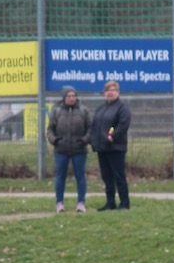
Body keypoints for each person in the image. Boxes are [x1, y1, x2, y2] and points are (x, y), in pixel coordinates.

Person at [46, 85, 91, 212]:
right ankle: (59, 203)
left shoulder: (83, 111)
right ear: (64, 97)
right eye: (69, 96)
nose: (71, 98)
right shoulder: (57, 111)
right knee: (60, 177)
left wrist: (84, 140)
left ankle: (81, 203)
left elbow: (90, 128)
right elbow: (50, 129)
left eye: (73, 96)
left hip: (79, 150)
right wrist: (54, 140)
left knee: (80, 176)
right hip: (61, 150)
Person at [90, 80, 131, 211]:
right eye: (107, 90)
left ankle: (124, 203)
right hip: (102, 148)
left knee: (118, 176)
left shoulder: (122, 108)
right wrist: (93, 140)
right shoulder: (101, 108)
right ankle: (110, 202)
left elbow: (123, 125)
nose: (110, 93)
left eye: (113, 90)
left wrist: (113, 137)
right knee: (106, 177)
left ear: (118, 92)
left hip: (115, 148)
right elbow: (94, 125)